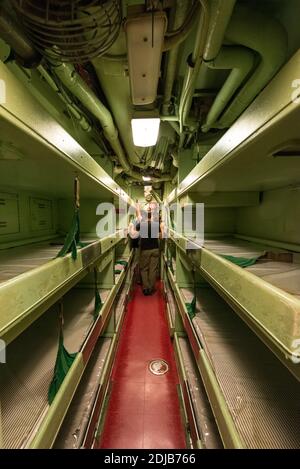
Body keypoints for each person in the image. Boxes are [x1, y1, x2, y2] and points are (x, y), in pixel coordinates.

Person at [137, 207, 162, 296]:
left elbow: (135, 232)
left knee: (144, 269)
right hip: (155, 249)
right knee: (153, 269)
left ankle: (146, 288)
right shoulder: (156, 224)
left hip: (145, 250)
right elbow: (160, 236)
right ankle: (151, 288)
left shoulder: (141, 224)